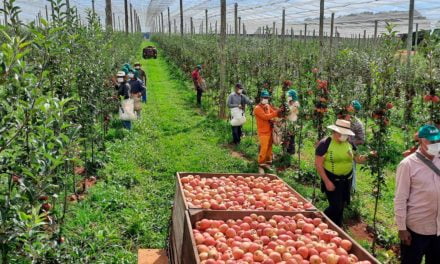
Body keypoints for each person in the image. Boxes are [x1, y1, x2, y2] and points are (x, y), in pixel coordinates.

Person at [394, 124, 440, 264]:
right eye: (431, 141)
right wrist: (402, 228)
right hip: (416, 230)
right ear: (421, 140)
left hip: (438, 229)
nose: (435, 144)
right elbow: (400, 198)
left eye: (437, 141)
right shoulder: (407, 164)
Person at [315, 119, 367, 226]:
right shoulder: (325, 143)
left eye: (345, 134)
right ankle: (317, 222)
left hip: (346, 180)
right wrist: (327, 182)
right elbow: (318, 165)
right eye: (341, 133)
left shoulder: (350, 143)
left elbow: (357, 159)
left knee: (341, 206)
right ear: (334, 131)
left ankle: (337, 227)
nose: (343, 136)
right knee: (335, 206)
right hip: (331, 178)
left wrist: (368, 156)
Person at [254, 90, 281, 171]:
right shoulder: (257, 108)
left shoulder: (268, 106)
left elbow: (273, 112)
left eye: (267, 98)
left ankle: (268, 161)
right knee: (264, 147)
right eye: (264, 97)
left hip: (269, 130)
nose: (266, 99)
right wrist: (276, 113)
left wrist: (280, 112)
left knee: (269, 147)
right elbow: (265, 117)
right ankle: (261, 163)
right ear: (261, 98)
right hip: (262, 131)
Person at [346, 100, 365, 191]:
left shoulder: (358, 123)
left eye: (351, 106)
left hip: (350, 149)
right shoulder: (342, 118)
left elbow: (361, 140)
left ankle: (351, 189)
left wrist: (350, 142)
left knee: (351, 168)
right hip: (338, 146)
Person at [285, 89, 300, 154]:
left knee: (291, 136)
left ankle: (291, 151)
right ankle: (287, 150)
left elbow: (289, 111)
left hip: (293, 122)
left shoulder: (296, 103)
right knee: (287, 136)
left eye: (289, 96)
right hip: (288, 122)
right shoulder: (288, 103)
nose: (288, 97)